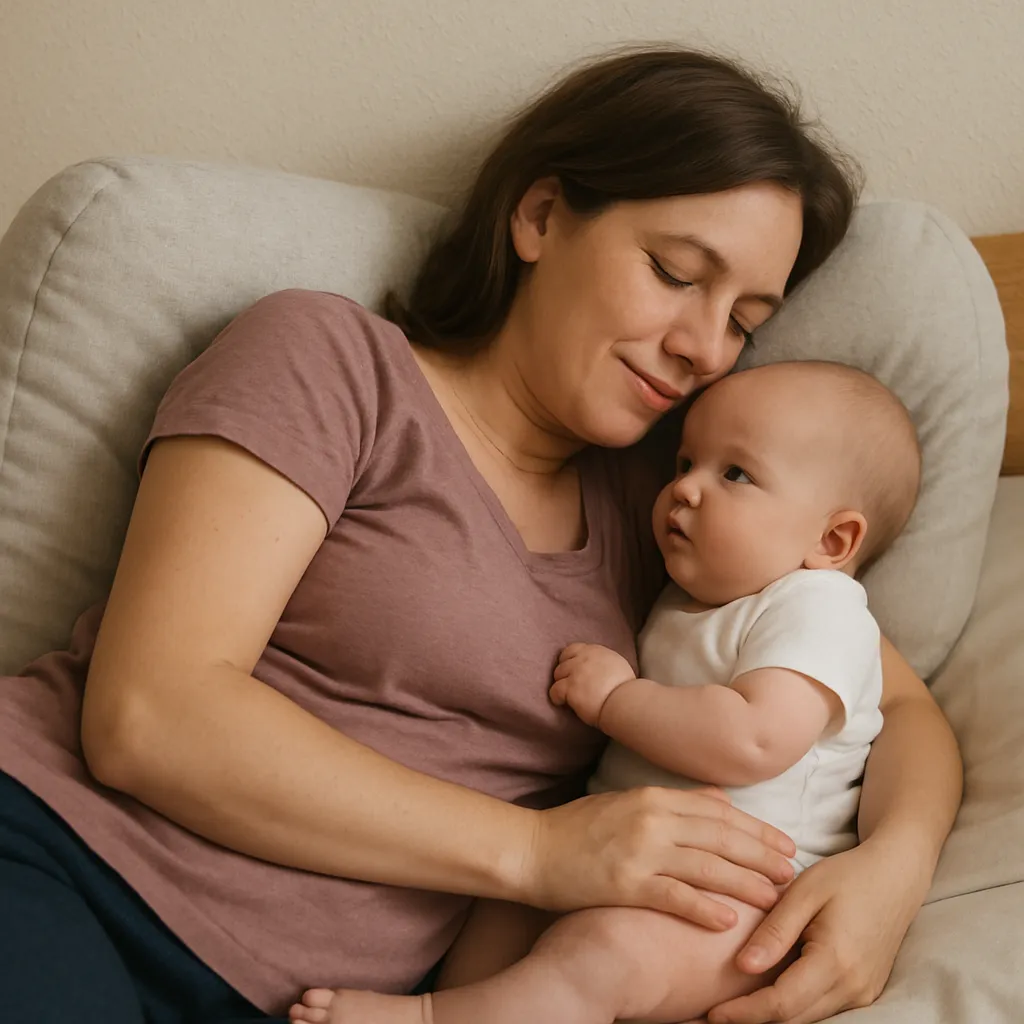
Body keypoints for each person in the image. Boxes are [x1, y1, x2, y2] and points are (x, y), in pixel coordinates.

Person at [0, 47, 961, 1024]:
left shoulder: (674, 505)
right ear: (540, 216)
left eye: (744, 322)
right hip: (60, 856)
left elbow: (900, 709)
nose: (704, 347)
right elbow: (148, 715)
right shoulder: (331, 364)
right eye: (676, 272)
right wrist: (540, 853)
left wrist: (891, 872)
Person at [292, 361, 922, 1024]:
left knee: (603, 952)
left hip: (740, 902)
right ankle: (462, 1001)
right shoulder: (695, 597)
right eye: (685, 463)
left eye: (734, 473)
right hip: (630, 859)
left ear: (833, 539)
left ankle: (428, 1020)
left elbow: (754, 739)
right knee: (505, 908)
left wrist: (618, 700)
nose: (685, 491)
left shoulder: (821, 607)